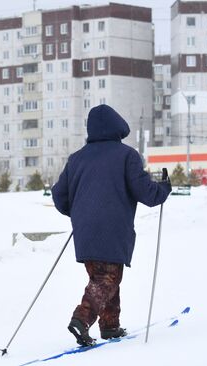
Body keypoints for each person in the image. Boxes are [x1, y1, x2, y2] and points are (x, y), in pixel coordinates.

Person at [51, 104, 171, 346]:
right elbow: (146, 193)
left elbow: (58, 195)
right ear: (118, 128)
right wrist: (163, 188)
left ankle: (110, 326)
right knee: (106, 278)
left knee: (104, 278)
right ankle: (81, 319)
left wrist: (78, 213)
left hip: (84, 230)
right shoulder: (127, 155)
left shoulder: (76, 158)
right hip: (113, 228)